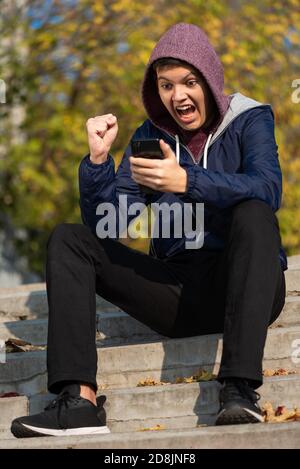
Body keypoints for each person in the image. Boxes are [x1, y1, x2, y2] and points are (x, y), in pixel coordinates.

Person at [11, 22, 286, 438]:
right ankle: (78, 401)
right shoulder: (149, 137)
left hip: (248, 283)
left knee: (255, 211)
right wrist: (98, 165)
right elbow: (110, 223)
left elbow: (268, 187)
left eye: (189, 82)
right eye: (165, 85)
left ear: (208, 81)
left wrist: (186, 182)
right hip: (177, 293)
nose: (178, 96)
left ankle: (239, 389)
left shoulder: (250, 119)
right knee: (69, 238)